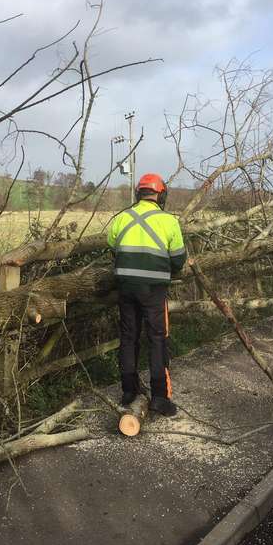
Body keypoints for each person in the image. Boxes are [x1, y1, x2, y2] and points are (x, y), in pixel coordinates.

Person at [107, 173, 186, 416]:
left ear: (138, 192)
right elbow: (178, 259)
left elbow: (113, 247)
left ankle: (129, 392)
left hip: (126, 287)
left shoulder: (121, 218)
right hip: (153, 289)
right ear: (160, 194)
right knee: (157, 339)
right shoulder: (168, 221)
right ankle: (160, 398)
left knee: (129, 337)